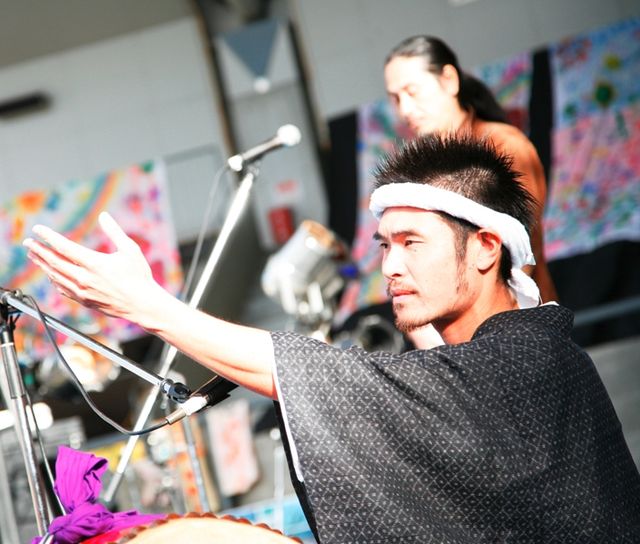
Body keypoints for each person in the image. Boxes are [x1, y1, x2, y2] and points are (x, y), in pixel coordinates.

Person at [24, 135, 639, 543]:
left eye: (412, 243)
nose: (390, 266)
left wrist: (149, 306)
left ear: (485, 247)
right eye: (385, 245)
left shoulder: (528, 358)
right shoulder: (511, 354)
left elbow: (324, 380)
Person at [384, 35, 558, 309]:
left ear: (449, 80)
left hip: (514, 318)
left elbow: (520, 253)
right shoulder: (429, 162)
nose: (404, 109)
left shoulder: (504, 145)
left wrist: (502, 325)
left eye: (412, 91)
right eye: (395, 98)